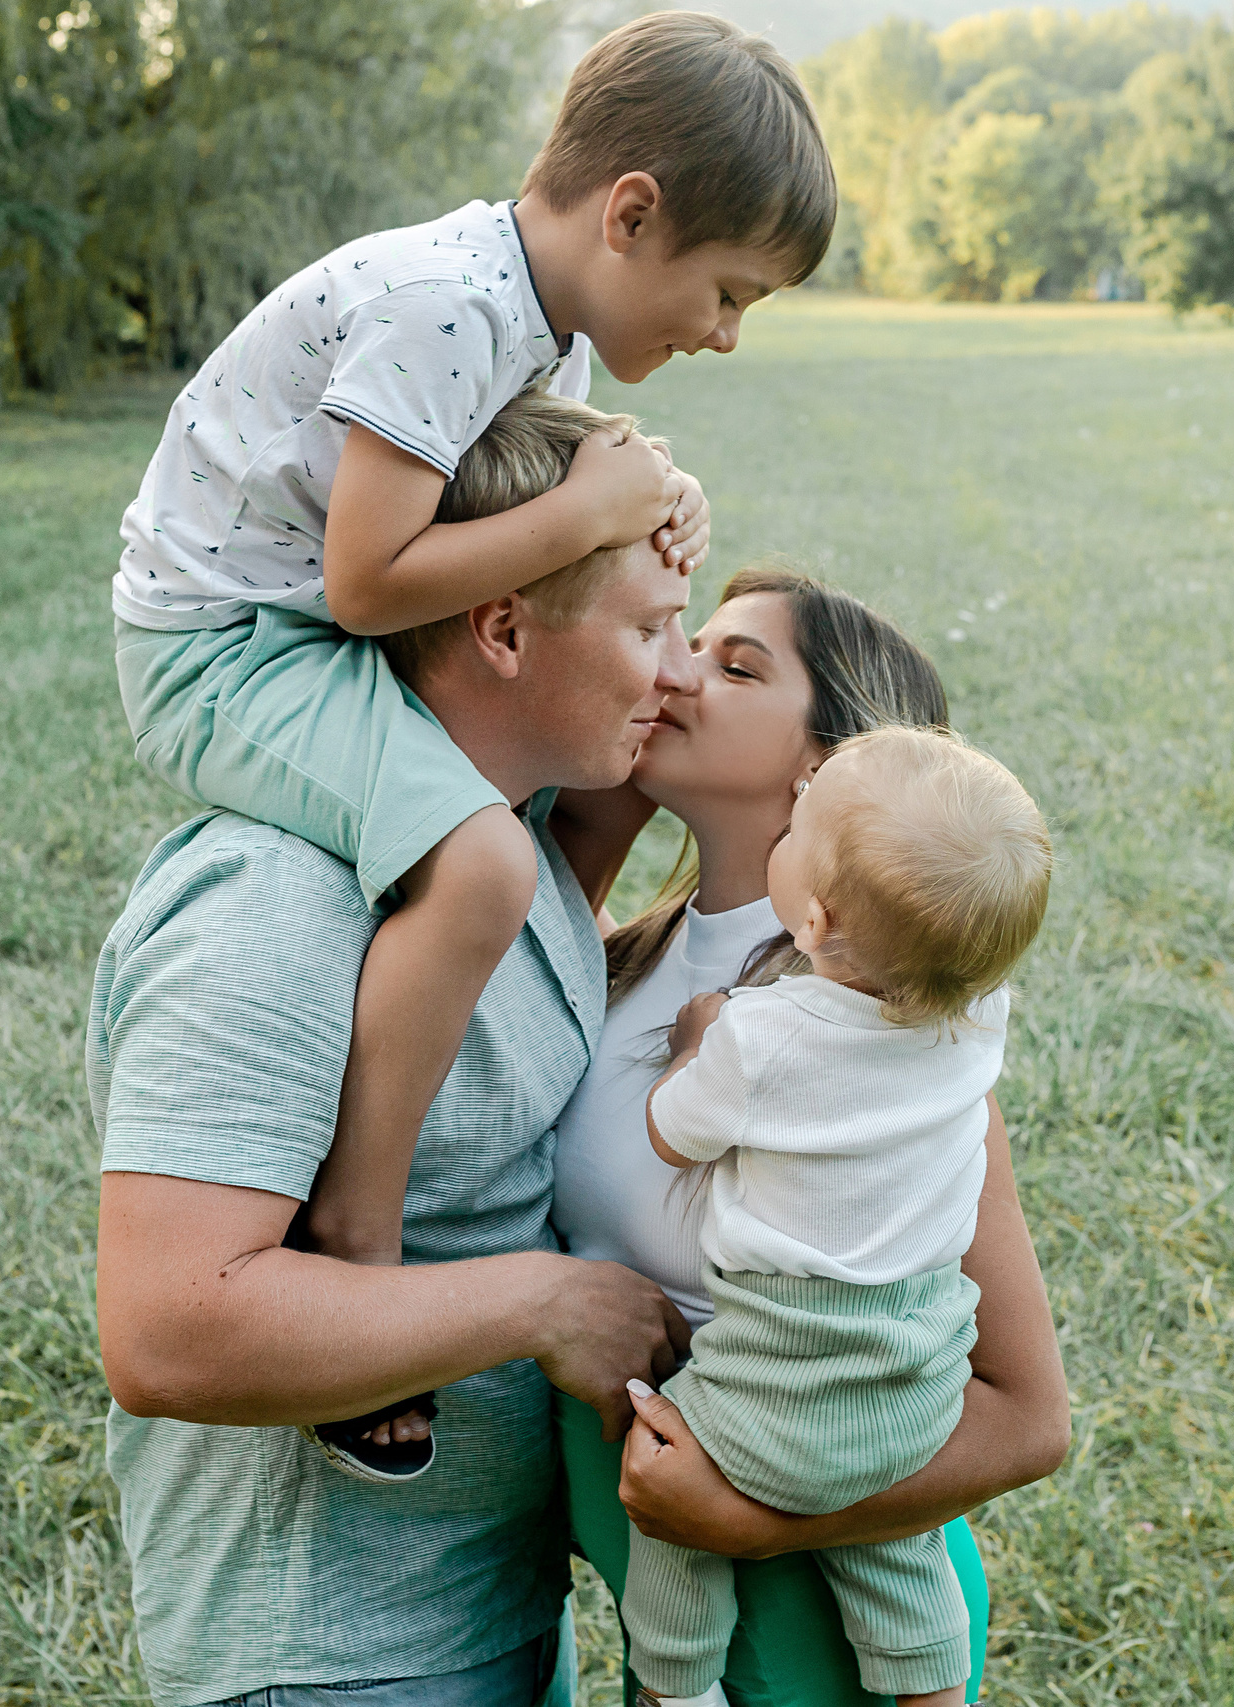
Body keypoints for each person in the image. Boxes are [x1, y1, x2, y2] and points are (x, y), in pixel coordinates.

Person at [108, 10, 837, 1475]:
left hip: (295, 628)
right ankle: (359, 1226)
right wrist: (580, 513)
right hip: (222, 648)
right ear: (631, 214)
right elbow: (368, 582)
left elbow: (523, 492)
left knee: (547, 805)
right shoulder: (445, 304)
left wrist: (651, 500)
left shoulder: (529, 315)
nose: (724, 333)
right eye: (727, 291)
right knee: (485, 863)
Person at [89, 391, 701, 1707]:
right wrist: (544, 1305)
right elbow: (169, 1330)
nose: (681, 672)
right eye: (651, 630)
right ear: (502, 628)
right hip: (332, 1652)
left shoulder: (505, 837)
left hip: (481, 1609)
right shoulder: (276, 901)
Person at [548, 568, 1073, 1707]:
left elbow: (1029, 1421)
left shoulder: (885, 1047)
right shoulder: (625, 958)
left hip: (821, 1626)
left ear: (830, 768)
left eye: (736, 667)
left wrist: (761, 1520)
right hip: (664, 1601)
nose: (675, 667)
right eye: (686, 639)